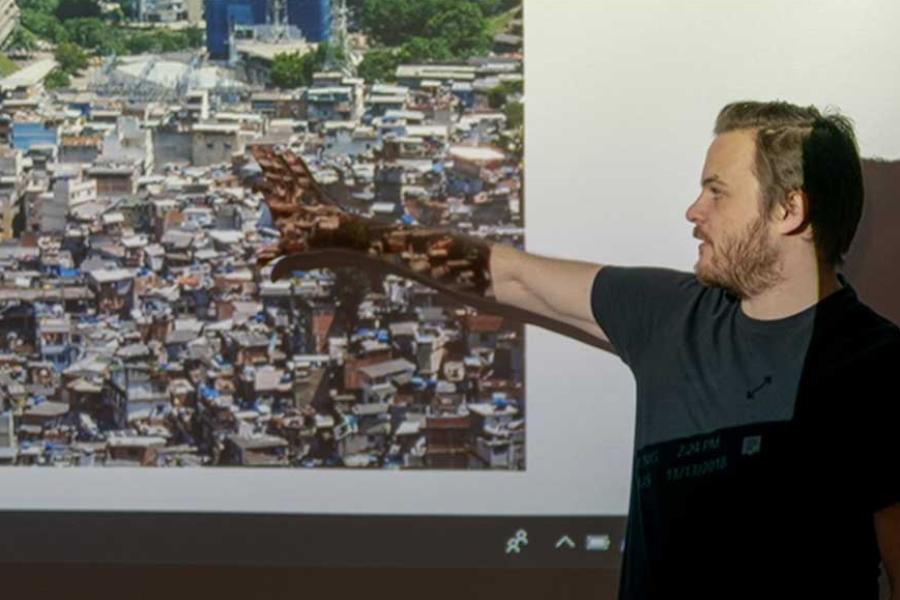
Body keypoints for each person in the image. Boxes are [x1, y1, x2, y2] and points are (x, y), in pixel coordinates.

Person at [254, 100, 899, 599]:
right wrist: (346, 230)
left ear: (789, 210)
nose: (692, 210)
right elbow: (507, 273)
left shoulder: (881, 368)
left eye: (717, 191)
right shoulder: (670, 316)